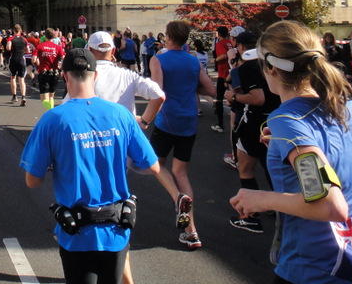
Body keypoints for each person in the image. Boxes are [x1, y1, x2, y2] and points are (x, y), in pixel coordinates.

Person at [231, 20, 352, 284]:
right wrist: (290, 149)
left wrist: (261, 199)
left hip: (316, 271)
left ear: (271, 69)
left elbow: (330, 204)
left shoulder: (288, 122)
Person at [20, 48, 160, 284]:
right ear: (95, 76)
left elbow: (33, 180)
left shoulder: (53, 119)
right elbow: (152, 167)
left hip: (77, 233)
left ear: (65, 76)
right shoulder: (121, 115)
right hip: (116, 230)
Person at [83, 31, 166, 284]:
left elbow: (69, 109)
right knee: (116, 204)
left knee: (92, 211)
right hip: (120, 148)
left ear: (90, 51)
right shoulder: (127, 75)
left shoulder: (86, 76)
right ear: (114, 51)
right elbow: (159, 95)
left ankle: (109, 268)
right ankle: (120, 270)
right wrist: (143, 121)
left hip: (88, 146)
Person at [149, 21, 216, 250]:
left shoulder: (159, 59)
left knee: (156, 164)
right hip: (189, 120)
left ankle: (177, 197)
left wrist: (146, 119)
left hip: (167, 119)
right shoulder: (193, 60)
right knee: (181, 171)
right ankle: (192, 233)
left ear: (167, 37)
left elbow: (157, 92)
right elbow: (209, 88)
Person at [225, 31, 280, 234]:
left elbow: (257, 98)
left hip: (256, 122)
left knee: (246, 168)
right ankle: (278, 207)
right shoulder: (273, 64)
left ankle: (250, 216)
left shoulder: (248, 67)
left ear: (240, 48)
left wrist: (234, 97)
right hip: (278, 120)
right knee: (272, 167)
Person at [33, 28, 66, 110]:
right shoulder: (58, 47)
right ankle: (51, 113)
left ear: (45, 36)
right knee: (51, 97)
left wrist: (37, 65)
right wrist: (61, 68)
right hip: (54, 73)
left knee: (44, 100)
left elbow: (33, 60)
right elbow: (64, 58)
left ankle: (51, 112)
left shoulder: (40, 46)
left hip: (43, 72)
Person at [212, 26, 233, 133]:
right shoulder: (230, 42)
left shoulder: (220, 43)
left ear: (218, 33)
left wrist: (215, 60)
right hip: (232, 72)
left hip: (223, 74)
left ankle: (220, 124)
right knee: (236, 96)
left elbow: (223, 55)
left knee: (219, 99)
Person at [7, 24, 29, 106]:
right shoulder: (24, 39)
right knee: (22, 79)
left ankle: (14, 96)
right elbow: (28, 50)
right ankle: (23, 97)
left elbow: (8, 48)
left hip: (13, 58)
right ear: (20, 31)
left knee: (13, 77)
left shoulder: (11, 38)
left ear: (13, 31)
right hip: (21, 59)